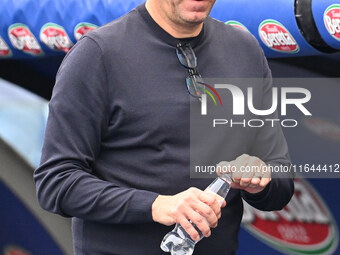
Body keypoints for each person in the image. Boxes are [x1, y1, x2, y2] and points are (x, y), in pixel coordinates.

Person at [34, 0, 294, 254]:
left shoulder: (244, 50)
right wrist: (157, 206)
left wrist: (260, 181)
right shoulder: (98, 54)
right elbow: (56, 181)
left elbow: (280, 181)